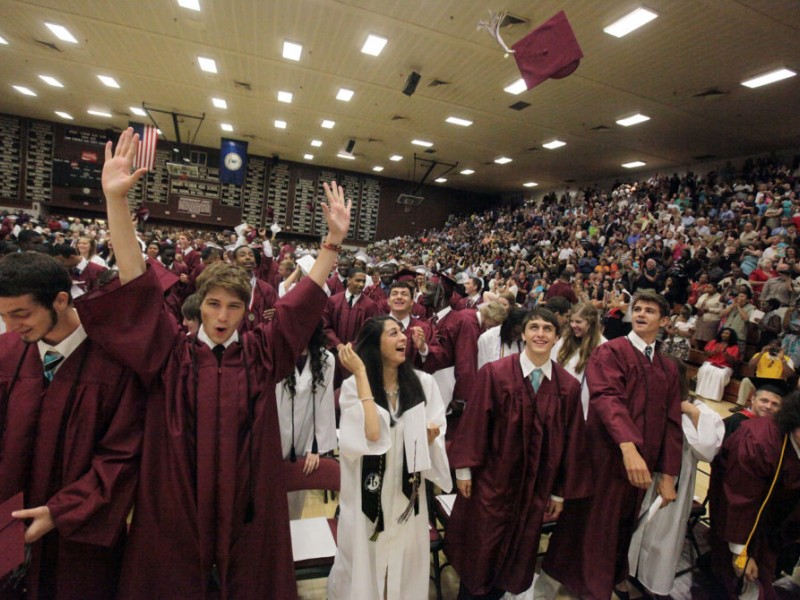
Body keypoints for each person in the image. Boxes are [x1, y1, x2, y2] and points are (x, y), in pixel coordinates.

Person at [76, 127, 351, 599]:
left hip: (248, 506)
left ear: (248, 310)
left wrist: (332, 242)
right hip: (178, 504)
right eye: (214, 305)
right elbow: (137, 286)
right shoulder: (171, 354)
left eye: (234, 307)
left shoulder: (262, 353)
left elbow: (302, 302)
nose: (222, 317)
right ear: (199, 305)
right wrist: (116, 202)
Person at [0, 252, 144, 599]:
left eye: (21, 314)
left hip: (77, 536)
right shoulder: (6, 353)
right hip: (7, 526)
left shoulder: (115, 362)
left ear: (61, 300)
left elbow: (122, 455)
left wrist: (61, 512)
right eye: (3, 316)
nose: (11, 326)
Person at [540, 291, 682, 600]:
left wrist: (669, 474)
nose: (641, 314)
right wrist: (628, 447)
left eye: (650, 311)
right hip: (604, 456)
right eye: (638, 309)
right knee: (595, 524)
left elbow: (672, 422)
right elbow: (606, 398)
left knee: (622, 525)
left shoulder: (667, 367)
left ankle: (611, 576)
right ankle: (591, 587)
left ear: (664, 321)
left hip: (642, 465)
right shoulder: (611, 351)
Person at [447, 308, 590, 599]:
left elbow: (571, 443)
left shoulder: (568, 387)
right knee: (479, 557)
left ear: (557, 337)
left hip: (534, 490)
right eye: (534, 327)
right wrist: (463, 469)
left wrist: (559, 493)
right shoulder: (495, 374)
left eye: (548, 329)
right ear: (523, 333)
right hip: (491, 483)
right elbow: (474, 425)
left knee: (514, 556)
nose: (540, 334)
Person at [327, 316, 451, 600]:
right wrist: (361, 373)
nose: (403, 338)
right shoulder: (353, 387)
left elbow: (436, 432)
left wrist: (429, 438)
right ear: (374, 344)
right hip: (368, 497)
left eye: (402, 332)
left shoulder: (423, 384)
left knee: (406, 564)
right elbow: (372, 434)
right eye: (393, 333)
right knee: (364, 562)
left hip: (407, 496)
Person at [626, 359, 725, 596]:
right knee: (631, 531)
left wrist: (692, 412)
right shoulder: (645, 401)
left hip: (676, 483)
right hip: (641, 477)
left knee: (663, 536)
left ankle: (651, 583)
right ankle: (623, 575)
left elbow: (707, 452)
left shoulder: (701, 410)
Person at [708, 392, 800, 599]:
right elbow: (740, 497)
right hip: (737, 516)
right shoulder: (758, 441)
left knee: (762, 575)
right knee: (735, 580)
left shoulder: (795, 439)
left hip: (772, 523)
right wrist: (741, 551)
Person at [275, 324, 336, 519]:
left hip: (304, 439)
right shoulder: (275, 353)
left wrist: (315, 446)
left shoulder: (326, 359)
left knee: (294, 503)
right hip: (272, 437)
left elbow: (325, 405)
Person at [551, 303, 607, 417]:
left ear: (590, 323)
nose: (573, 325)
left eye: (578, 322)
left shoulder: (603, 347)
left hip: (586, 408)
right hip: (561, 405)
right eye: (571, 321)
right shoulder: (564, 341)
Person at [695, 328, 740, 402]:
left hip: (725, 366)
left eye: (727, 333)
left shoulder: (734, 347)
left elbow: (733, 362)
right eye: (723, 333)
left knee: (720, 374)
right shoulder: (714, 342)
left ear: (731, 336)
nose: (724, 335)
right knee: (704, 370)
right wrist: (714, 352)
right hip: (711, 362)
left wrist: (727, 356)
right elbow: (705, 353)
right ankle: (700, 392)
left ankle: (714, 397)